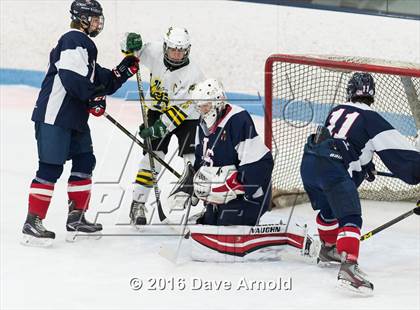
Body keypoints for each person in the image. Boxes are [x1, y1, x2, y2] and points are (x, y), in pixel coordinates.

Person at [22, 0, 140, 246]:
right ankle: (32, 222)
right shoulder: (73, 39)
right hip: (55, 116)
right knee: (50, 168)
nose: (99, 23)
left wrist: (123, 71)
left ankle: (77, 217)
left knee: (85, 160)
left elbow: (97, 80)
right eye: (95, 18)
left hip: (74, 117)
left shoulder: (85, 47)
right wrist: (93, 96)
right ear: (83, 19)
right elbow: (70, 77)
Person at [300, 72, 420, 294]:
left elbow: (344, 141)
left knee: (330, 206)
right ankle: (348, 267)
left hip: (309, 162)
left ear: (349, 91)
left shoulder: (337, 111)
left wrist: (365, 165)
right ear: (372, 95)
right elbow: (400, 155)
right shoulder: (372, 118)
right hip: (332, 168)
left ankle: (327, 248)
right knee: (351, 216)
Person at [120, 27, 205, 226]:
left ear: (188, 50)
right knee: (153, 158)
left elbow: (182, 110)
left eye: (181, 50)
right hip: (157, 110)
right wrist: (129, 40)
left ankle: (198, 198)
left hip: (187, 116)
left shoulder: (194, 74)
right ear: (166, 46)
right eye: (173, 50)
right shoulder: (155, 51)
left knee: (192, 158)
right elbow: (131, 50)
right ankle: (138, 203)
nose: (177, 54)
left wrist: (158, 128)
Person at [191, 78, 274, 226]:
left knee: (226, 223)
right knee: (209, 222)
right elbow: (201, 159)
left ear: (218, 102)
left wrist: (230, 185)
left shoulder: (238, 119)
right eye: (199, 107)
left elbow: (262, 164)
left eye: (206, 106)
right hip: (219, 196)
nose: (202, 110)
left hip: (249, 195)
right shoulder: (202, 123)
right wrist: (193, 185)